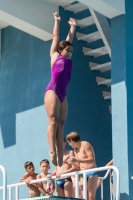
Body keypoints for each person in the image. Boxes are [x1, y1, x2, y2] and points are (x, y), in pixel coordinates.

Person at [44, 12, 76, 167]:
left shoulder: (68, 59)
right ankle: (52, 150)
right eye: (67, 51)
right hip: (52, 92)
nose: (69, 53)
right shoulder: (55, 56)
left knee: (61, 124)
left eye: (71, 51)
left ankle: (59, 150)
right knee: (53, 121)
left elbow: (69, 40)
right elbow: (56, 38)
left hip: (63, 95)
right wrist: (56, 21)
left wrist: (73, 27)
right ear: (60, 50)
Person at [66, 132, 98, 200]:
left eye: (69, 142)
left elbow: (91, 159)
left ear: (71, 140)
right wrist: (72, 163)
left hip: (91, 172)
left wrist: (76, 159)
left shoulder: (85, 144)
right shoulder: (75, 149)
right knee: (84, 197)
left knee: (91, 196)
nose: (69, 144)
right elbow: (78, 166)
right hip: (82, 174)